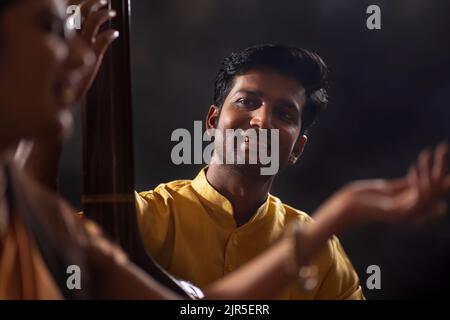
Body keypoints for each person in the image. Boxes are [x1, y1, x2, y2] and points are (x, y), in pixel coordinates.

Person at [16, 0, 450, 300]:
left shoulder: (327, 258)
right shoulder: (139, 219)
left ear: (297, 147)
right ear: (211, 122)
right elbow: (34, 236)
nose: (261, 120)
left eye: (284, 113)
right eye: (247, 102)